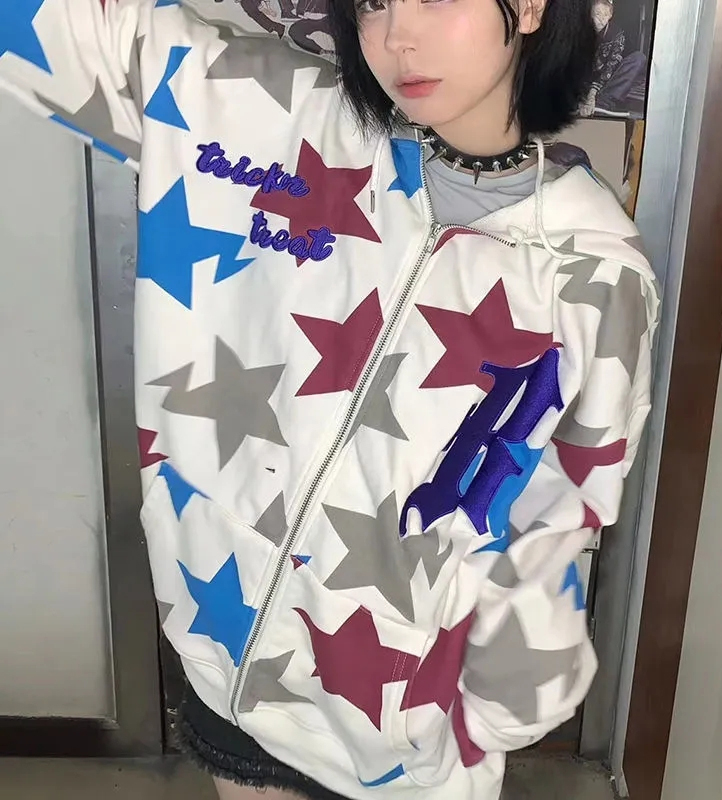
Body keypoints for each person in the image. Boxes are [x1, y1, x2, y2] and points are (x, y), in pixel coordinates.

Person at [0, 1, 658, 799]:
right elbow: (58, 27)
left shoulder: (595, 275)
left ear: (526, 7)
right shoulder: (274, 121)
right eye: (373, 2)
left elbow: (558, 523)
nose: (398, 34)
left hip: (405, 743)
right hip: (229, 671)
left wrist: (494, 718)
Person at [581, 0, 647, 117]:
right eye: (597, 14)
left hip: (605, 80)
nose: (601, 19)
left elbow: (612, 65)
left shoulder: (617, 33)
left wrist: (593, 92)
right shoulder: (580, 32)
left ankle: (605, 101)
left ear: (610, 16)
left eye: (605, 15)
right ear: (590, 14)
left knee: (638, 58)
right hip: (584, 82)